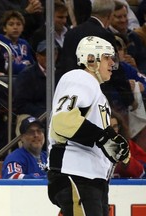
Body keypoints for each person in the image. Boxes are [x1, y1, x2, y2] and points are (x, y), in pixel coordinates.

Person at [47, 36, 130, 215]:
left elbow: (91, 131)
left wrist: (112, 143)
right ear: (91, 59)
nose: (112, 63)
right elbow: (63, 121)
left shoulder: (95, 90)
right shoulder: (80, 77)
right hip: (77, 173)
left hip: (90, 178)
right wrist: (104, 139)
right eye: (107, 57)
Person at [108, 0, 146, 73]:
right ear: (109, 17)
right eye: (119, 17)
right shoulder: (104, 37)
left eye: (125, 16)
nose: (123, 20)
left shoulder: (133, 36)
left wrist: (136, 69)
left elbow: (143, 62)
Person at [0, 10, 35, 75]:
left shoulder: (25, 43)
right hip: (8, 78)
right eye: (11, 24)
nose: (15, 27)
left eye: (18, 24)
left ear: (23, 28)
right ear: (4, 28)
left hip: (26, 76)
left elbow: (32, 63)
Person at [110, 110, 146, 178]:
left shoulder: (128, 145)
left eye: (115, 127)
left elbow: (142, 173)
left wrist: (127, 162)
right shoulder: (90, 145)